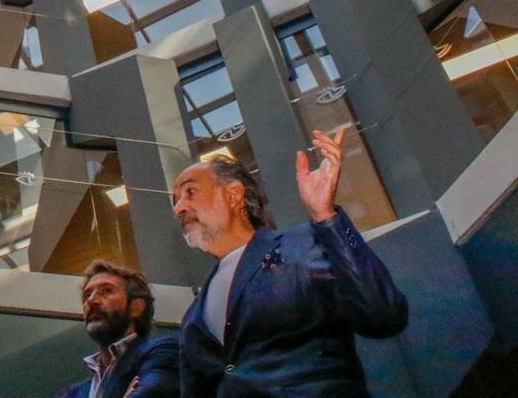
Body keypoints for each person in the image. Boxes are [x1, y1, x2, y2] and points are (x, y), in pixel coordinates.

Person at [171, 128, 407, 396]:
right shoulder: (193, 316)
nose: (179, 208)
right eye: (176, 200)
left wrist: (327, 218)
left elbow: (383, 315)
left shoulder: (302, 244)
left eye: (190, 192)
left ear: (233, 195)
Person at [57, 261, 179, 398]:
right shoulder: (74, 393)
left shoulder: (162, 351)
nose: (91, 301)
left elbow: (153, 392)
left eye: (107, 291)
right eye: (87, 295)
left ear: (136, 307)